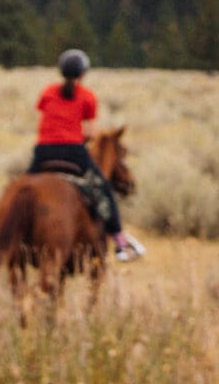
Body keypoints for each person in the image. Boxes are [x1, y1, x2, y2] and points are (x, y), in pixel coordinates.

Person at [28, 49, 141, 262]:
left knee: (22, 186)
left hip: (43, 150)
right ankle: (120, 243)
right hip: (73, 150)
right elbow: (89, 132)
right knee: (103, 189)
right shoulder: (87, 96)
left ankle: (1, 237)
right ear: (82, 74)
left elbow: (43, 115)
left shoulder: (48, 92)